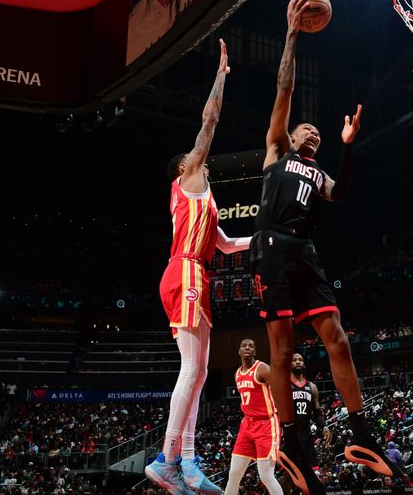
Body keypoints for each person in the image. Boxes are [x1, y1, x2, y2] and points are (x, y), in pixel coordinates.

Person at [249, 0, 401, 495]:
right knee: (282, 347)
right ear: (291, 136)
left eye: (318, 131)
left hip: (305, 250)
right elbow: (284, 88)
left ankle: (363, 436)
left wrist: (350, 147)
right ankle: (293, 445)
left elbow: (344, 194)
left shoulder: (319, 172)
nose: (312, 131)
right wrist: (291, 35)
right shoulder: (277, 150)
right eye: (306, 128)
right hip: (271, 246)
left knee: (337, 337)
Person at [146, 40, 250, 495]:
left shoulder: (205, 200)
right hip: (184, 271)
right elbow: (208, 123)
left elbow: (226, 245)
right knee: (191, 370)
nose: (201, 157)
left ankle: (187, 460)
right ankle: (167, 457)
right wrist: (221, 76)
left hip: (198, 273)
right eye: (196, 155)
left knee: (202, 372)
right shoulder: (188, 180)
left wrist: (268, 238)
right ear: (185, 167)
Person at [224, 339, 282, 495]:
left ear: (255, 352)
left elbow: (280, 389)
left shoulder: (263, 369)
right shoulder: (237, 373)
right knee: (234, 473)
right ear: (239, 351)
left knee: (266, 475)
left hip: (266, 424)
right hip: (247, 425)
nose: (247, 348)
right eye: (244, 345)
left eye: (251, 346)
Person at [280, 353, 329, 495]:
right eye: (294, 360)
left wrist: (324, 426)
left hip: (306, 434)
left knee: (309, 475)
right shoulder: (284, 384)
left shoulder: (312, 387)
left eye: (300, 360)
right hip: (290, 433)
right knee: (289, 475)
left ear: (304, 364)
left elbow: (317, 413)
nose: (297, 362)